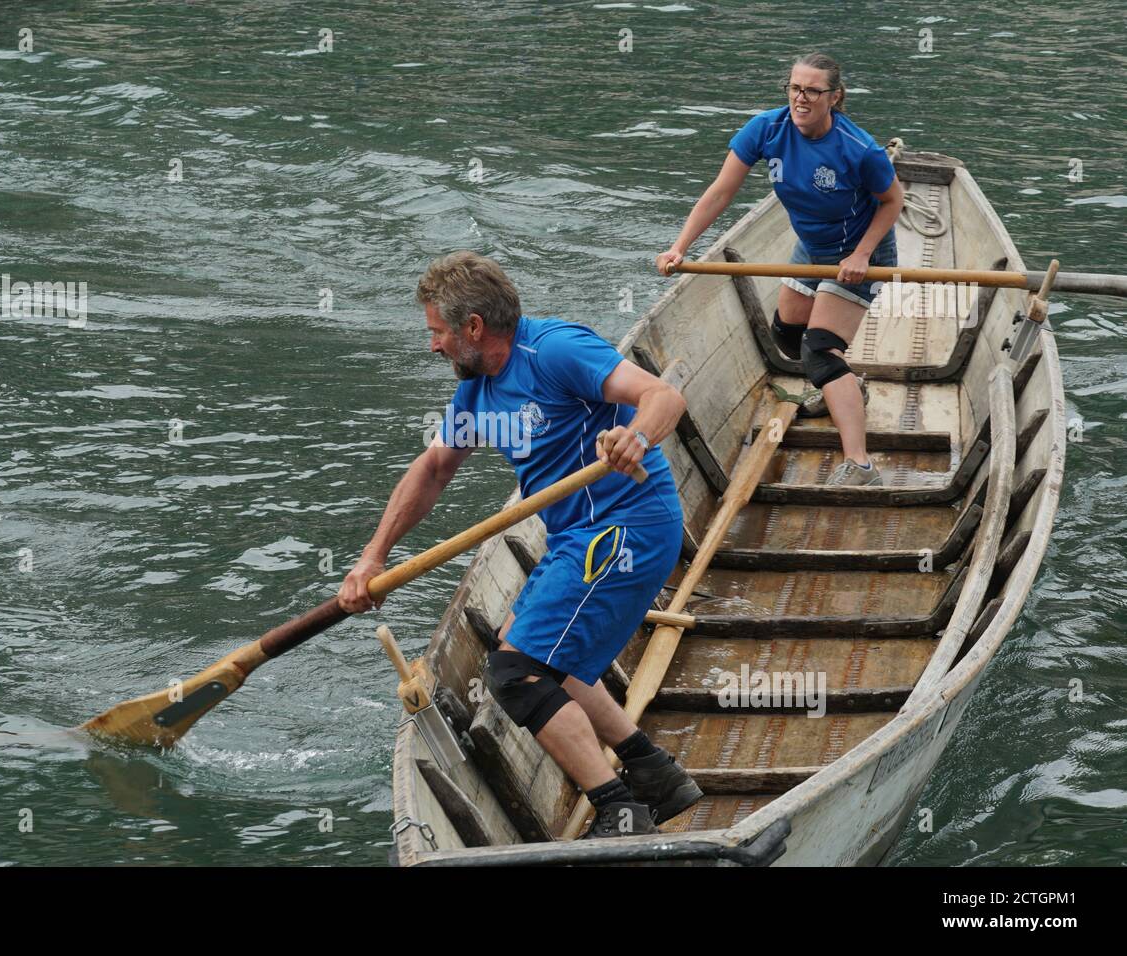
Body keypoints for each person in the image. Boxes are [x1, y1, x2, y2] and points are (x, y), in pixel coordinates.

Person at [338, 251, 703, 838]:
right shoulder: (476, 394)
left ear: (473, 327)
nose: (432, 346)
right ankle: (655, 774)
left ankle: (621, 809)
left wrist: (634, 437)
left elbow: (663, 397)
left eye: (437, 332)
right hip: (577, 536)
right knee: (541, 655)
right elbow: (433, 470)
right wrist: (372, 557)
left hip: (627, 527)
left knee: (514, 672)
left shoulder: (555, 351)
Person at [657, 52, 905, 486]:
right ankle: (847, 388)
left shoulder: (859, 149)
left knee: (819, 350)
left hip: (859, 254)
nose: (801, 98)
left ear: (835, 97)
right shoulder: (766, 129)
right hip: (811, 247)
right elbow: (720, 193)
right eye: (794, 88)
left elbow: (892, 201)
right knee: (787, 336)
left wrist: (862, 255)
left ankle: (860, 465)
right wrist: (679, 247)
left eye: (812, 90)